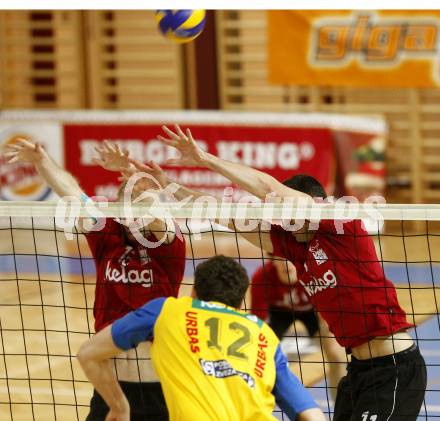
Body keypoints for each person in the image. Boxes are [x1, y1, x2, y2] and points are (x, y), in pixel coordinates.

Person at [146, 125, 427, 421]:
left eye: (285, 206)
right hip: (358, 371)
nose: (280, 214)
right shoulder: (293, 244)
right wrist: (168, 187)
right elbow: (222, 214)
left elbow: (267, 187)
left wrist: (205, 158)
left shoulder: (341, 225)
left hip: (393, 369)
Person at [5, 138, 186, 421]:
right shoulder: (107, 235)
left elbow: (156, 217)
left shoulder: (166, 243)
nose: (136, 214)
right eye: (129, 206)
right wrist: (42, 161)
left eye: (142, 206)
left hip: (159, 385)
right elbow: (71, 192)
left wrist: (141, 185)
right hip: (111, 386)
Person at [77, 255, 326, 421]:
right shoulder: (263, 333)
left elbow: (87, 354)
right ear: (241, 303)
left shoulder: (166, 310)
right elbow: (312, 415)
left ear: (193, 291)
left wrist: (119, 406)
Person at [251, 254, 346, 401]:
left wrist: (329, 339)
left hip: (311, 312)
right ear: (272, 260)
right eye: (279, 259)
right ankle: (258, 399)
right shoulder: (261, 277)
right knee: (260, 352)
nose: (286, 264)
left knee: (337, 355)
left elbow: (328, 319)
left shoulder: (313, 273)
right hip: (279, 313)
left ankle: (341, 403)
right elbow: (257, 323)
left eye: (288, 258)